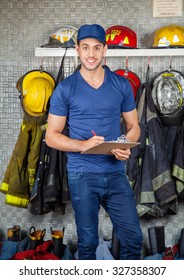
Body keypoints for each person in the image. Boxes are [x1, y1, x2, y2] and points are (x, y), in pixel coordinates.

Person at [45, 24, 143, 260]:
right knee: (87, 244)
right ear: (78, 50)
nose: (91, 54)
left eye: (97, 48)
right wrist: (82, 145)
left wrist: (123, 144)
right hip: (82, 175)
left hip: (115, 173)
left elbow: (134, 128)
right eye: (86, 47)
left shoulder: (121, 85)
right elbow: (51, 136)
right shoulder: (65, 88)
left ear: (105, 50)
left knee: (133, 239)